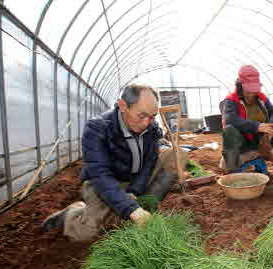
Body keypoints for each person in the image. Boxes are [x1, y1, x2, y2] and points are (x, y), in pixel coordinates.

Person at [42, 84, 185, 242]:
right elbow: (100, 175)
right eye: (142, 116)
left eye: (152, 116)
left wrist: (134, 191)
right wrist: (132, 209)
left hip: (133, 178)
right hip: (105, 183)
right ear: (123, 106)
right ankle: (71, 214)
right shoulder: (97, 128)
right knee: (87, 233)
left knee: (177, 155)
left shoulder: (150, 128)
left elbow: (149, 163)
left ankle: (143, 203)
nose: (147, 122)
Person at [220, 65, 273, 177]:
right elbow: (230, 119)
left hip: (263, 138)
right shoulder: (231, 100)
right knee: (229, 130)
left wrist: (270, 126)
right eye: (248, 89)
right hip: (243, 142)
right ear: (240, 86)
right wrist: (257, 126)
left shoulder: (261, 97)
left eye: (254, 89)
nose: (252, 93)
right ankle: (233, 172)